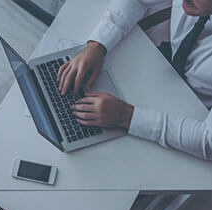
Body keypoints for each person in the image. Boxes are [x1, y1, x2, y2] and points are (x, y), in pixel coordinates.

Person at [57, 0, 212, 160]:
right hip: (162, 72)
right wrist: (97, 45)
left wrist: (126, 116)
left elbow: (208, 140)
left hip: (194, 114)